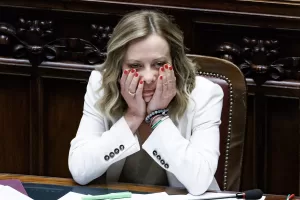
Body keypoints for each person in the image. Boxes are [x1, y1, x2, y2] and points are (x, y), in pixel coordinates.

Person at [68, 9, 224, 195]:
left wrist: (157, 117)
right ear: (118, 67)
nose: (149, 77)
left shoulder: (204, 94)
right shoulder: (100, 85)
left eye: (159, 64)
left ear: (174, 62)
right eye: (135, 66)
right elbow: (80, 170)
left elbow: (199, 181)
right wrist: (132, 117)